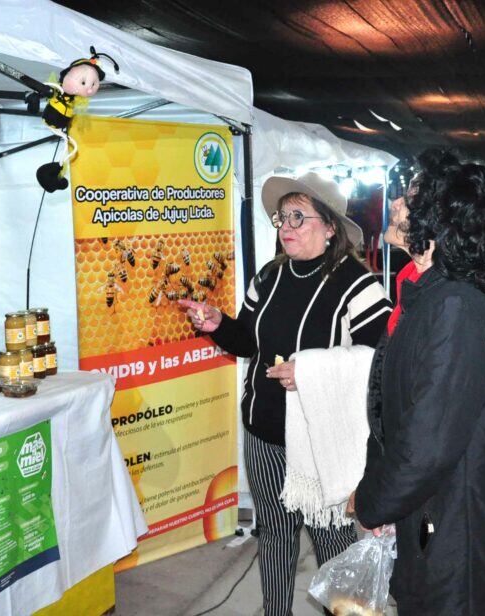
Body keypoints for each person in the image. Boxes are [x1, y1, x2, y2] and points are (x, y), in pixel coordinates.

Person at [179, 172, 391, 616]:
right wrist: (219, 325)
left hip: (318, 441)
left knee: (331, 538)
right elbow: (247, 342)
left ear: (330, 226)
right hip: (262, 432)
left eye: (299, 216)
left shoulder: (359, 284)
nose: (286, 226)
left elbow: (383, 363)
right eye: (282, 217)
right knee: (274, 534)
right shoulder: (270, 276)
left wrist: (312, 373)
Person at [350, 149, 485, 615]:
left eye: (408, 198)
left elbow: (428, 444)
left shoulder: (456, 307)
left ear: (439, 222)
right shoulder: (425, 294)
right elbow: (395, 411)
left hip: (455, 537)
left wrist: (370, 502)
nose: (395, 205)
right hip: (427, 519)